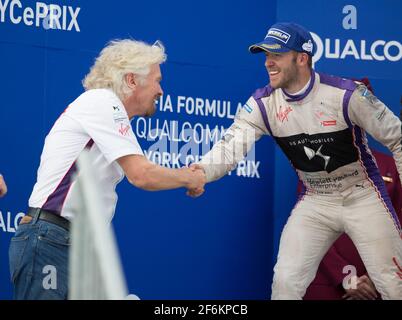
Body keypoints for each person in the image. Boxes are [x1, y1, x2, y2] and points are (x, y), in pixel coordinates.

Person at [191, 22, 402, 299]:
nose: (268, 63)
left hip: (362, 196)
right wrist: (200, 172)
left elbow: (397, 138)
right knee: (286, 282)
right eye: (265, 56)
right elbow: (229, 149)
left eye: (276, 55)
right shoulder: (262, 104)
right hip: (317, 200)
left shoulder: (347, 94)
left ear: (302, 58)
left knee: (392, 284)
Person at [9, 39, 206, 300]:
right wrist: (188, 177)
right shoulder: (103, 101)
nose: (161, 90)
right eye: (157, 80)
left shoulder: (104, 109)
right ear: (132, 80)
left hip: (71, 246)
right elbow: (142, 174)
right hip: (51, 240)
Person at [303, 149, 402, 300]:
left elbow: (397, 228)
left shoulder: (391, 165)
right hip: (326, 283)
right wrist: (345, 277)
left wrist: (375, 276)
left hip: (376, 287)